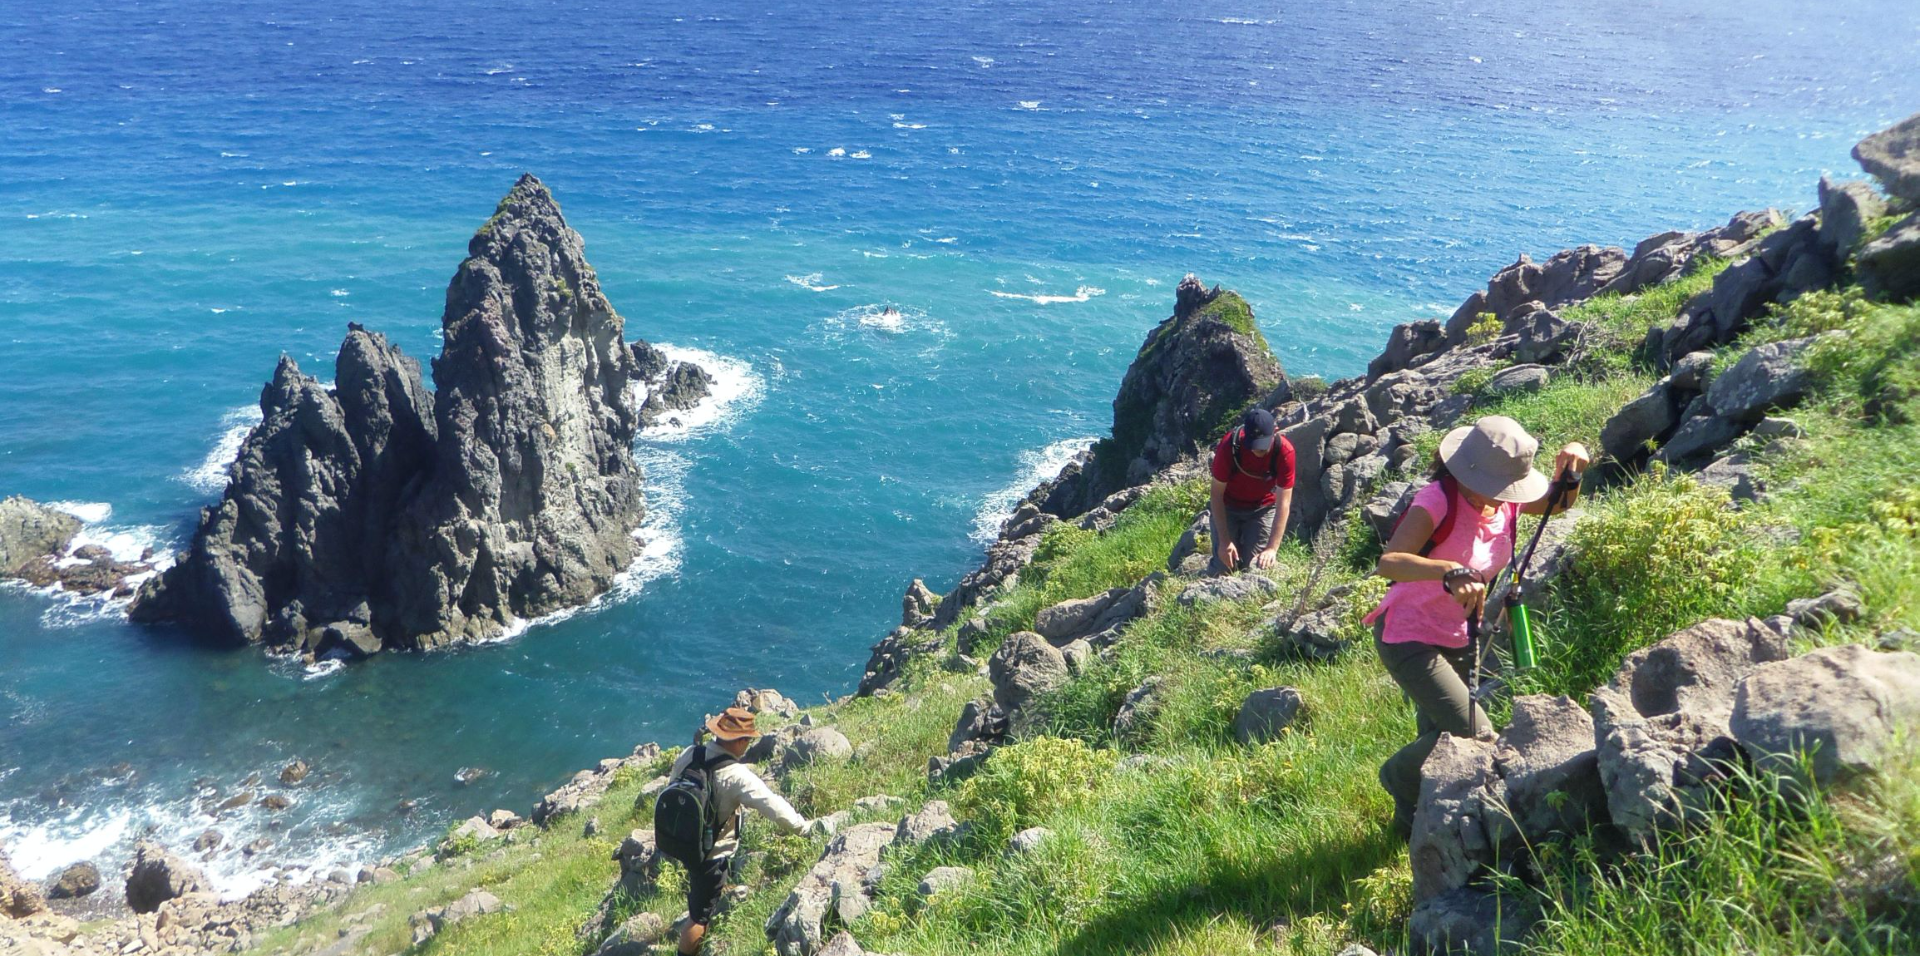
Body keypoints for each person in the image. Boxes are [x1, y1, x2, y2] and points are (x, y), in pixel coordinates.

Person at [1363, 416, 1587, 834]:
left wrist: (1571, 469)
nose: (1501, 497)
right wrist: (1449, 570)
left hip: (1462, 636)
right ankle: (1396, 777)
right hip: (1409, 634)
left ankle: (1407, 829)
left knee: (1444, 744)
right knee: (1477, 735)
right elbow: (1388, 562)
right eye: (1494, 486)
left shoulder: (1505, 501)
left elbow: (1555, 504)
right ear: (1465, 469)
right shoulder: (1437, 500)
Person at [664, 708, 829, 954]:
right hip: (711, 854)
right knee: (699, 916)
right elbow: (774, 806)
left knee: (701, 892)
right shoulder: (737, 775)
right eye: (748, 740)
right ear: (740, 741)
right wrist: (805, 829)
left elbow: (672, 785)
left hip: (682, 838)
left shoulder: (691, 753)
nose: (748, 744)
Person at [1208, 407, 1296, 574]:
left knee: (1257, 567)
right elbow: (1216, 495)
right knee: (1223, 567)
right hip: (1228, 507)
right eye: (1253, 446)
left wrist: (1272, 548)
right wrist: (1225, 541)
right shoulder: (1229, 446)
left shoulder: (1285, 452)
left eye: (1262, 448)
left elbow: (1283, 503)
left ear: (1274, 433)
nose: (1257, 452)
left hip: (1261, 508)